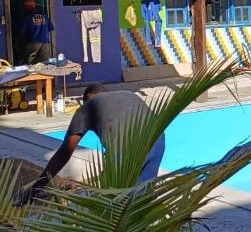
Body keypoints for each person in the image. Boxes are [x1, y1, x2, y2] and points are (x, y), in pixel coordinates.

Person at [24, 84, 166, 201]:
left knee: (111, 199)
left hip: (126, 148)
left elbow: (63, 154)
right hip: (157, 139)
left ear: (86, 99)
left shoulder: (87, 108)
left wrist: (36, 187)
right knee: (142, 194)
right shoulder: (128, 94)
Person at [17, 0, 54, 64]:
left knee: (28, 64)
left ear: (27, 7)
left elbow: (21, 32)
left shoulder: (27, 17)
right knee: (44, 65)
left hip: (33, 43)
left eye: (25, 6)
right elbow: (51, 28)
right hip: (45, 43)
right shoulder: (44, 16)